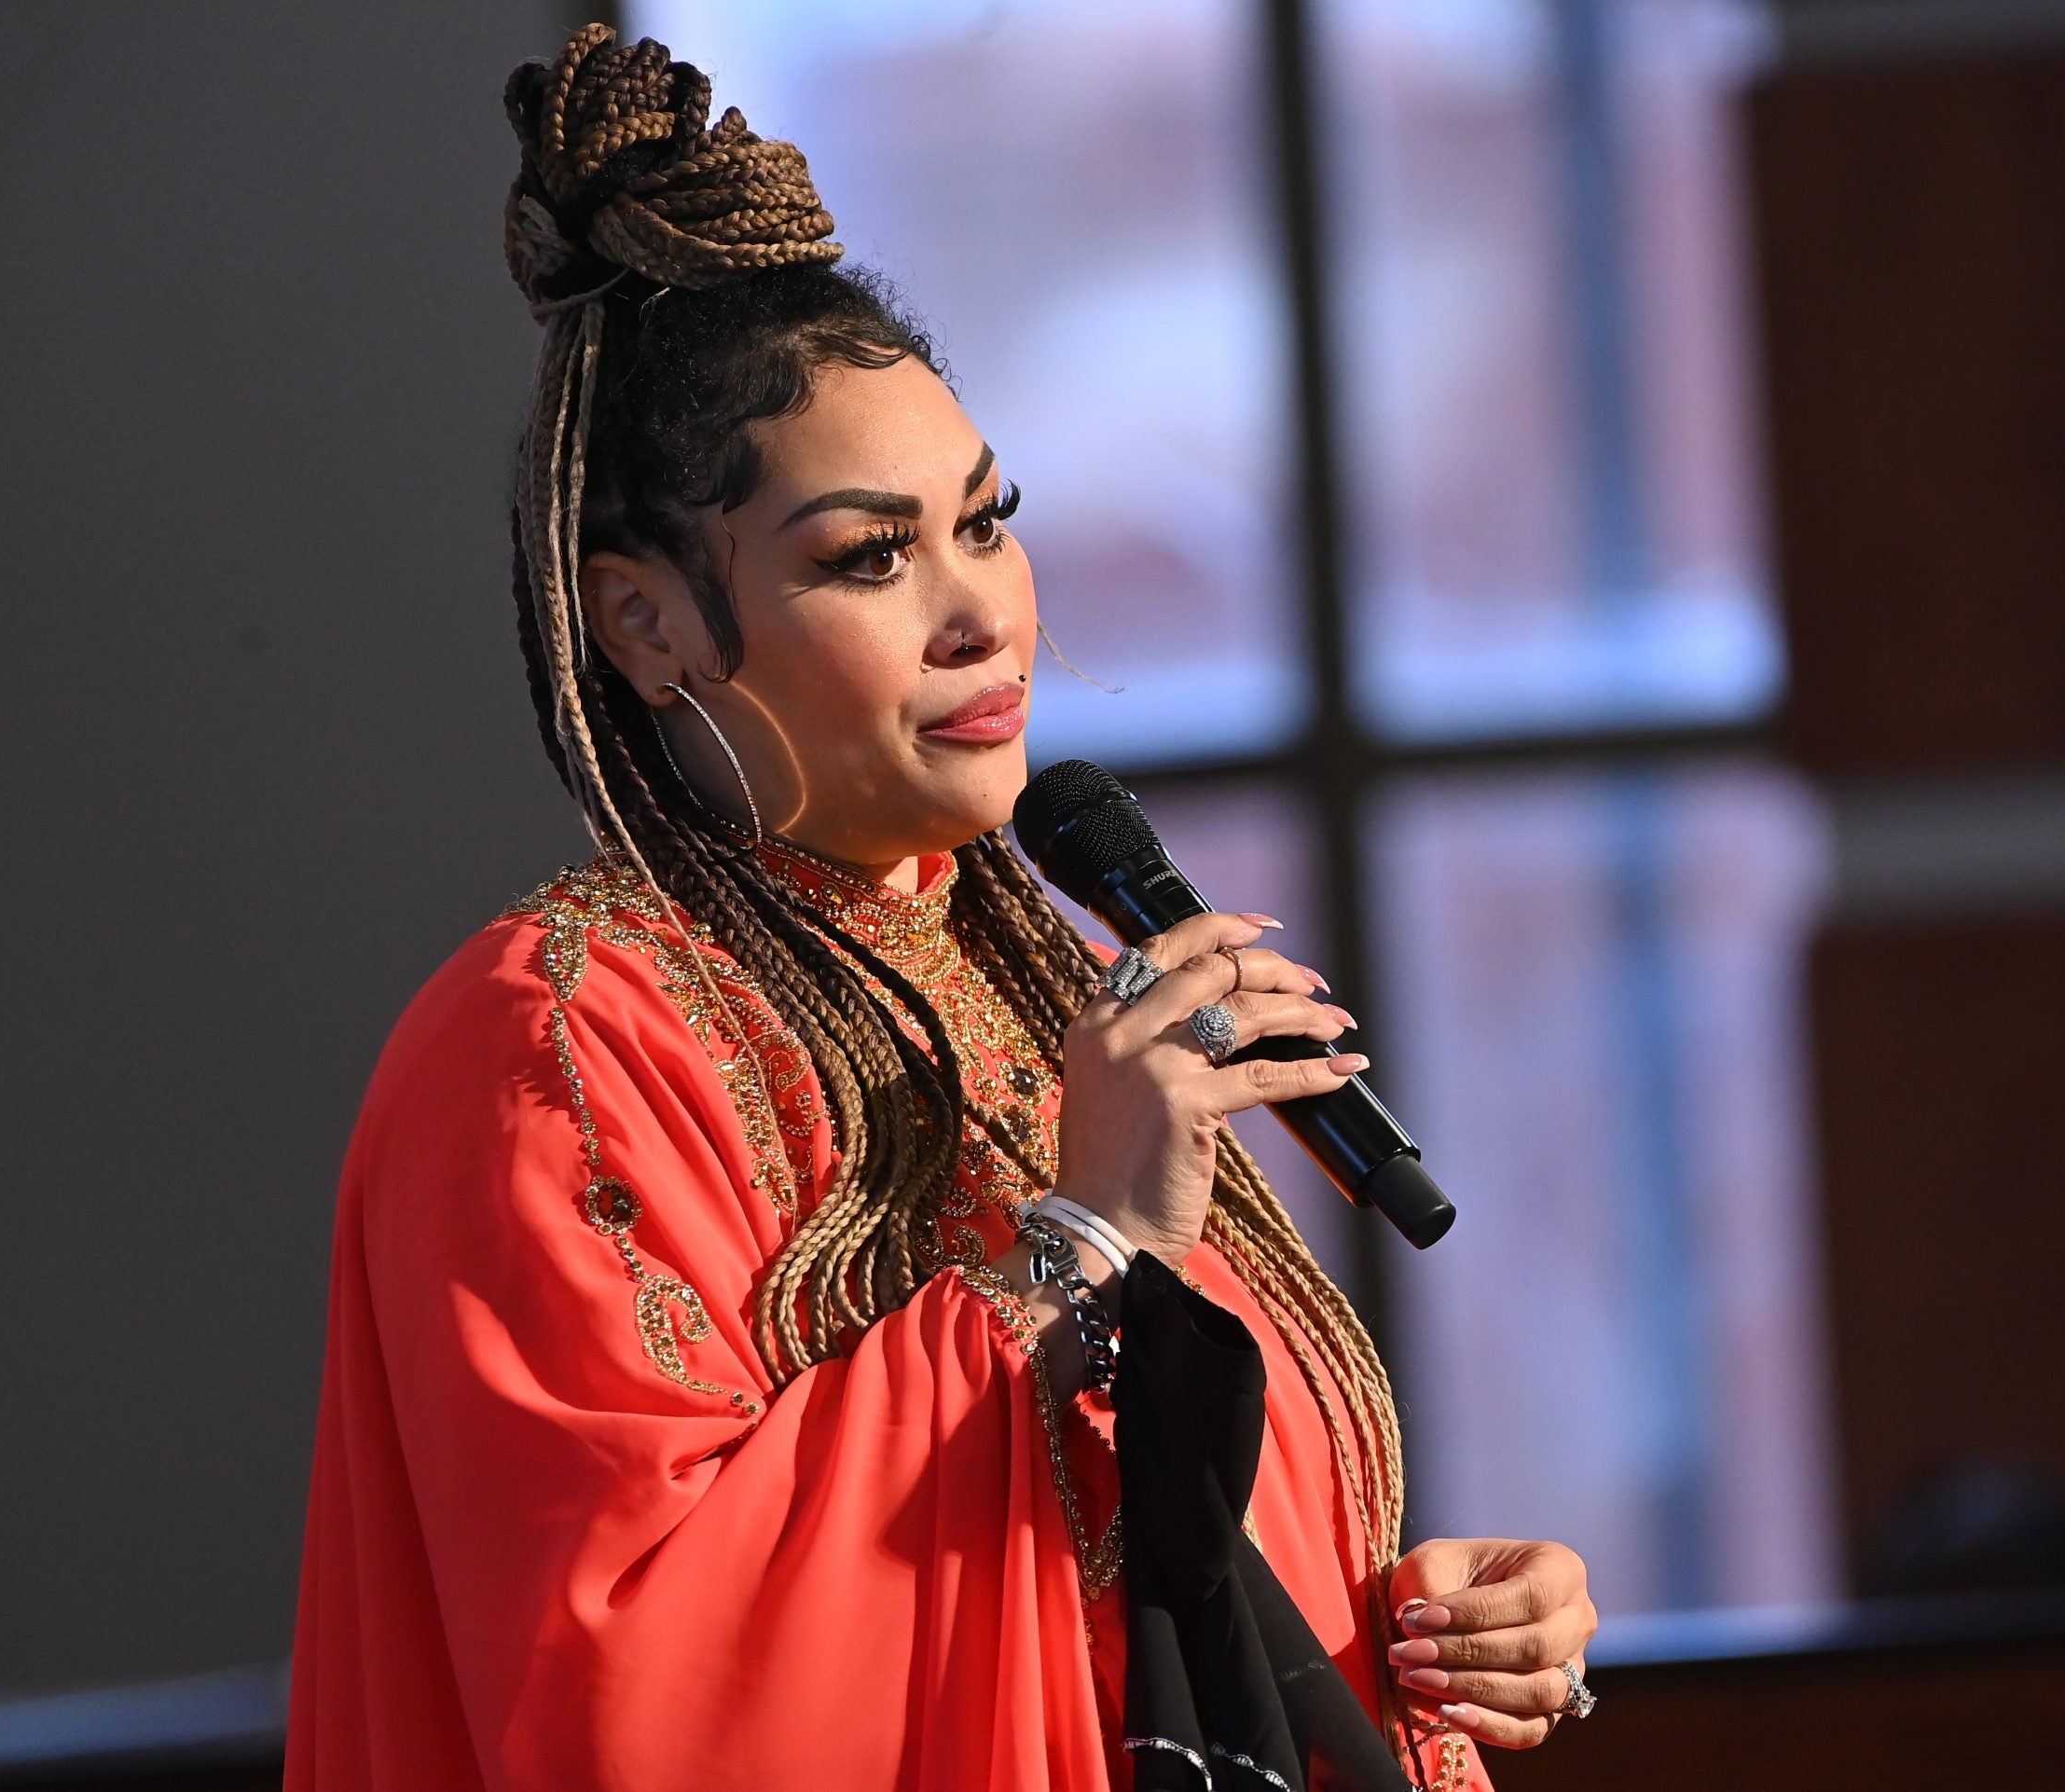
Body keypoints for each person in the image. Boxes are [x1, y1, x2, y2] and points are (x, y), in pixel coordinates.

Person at [284, 24, 1597, 1791]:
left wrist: (1413, 1632)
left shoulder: (1036, 976)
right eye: (868, 556)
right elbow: (635, 1694)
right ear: (647, 622)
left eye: (987, 522)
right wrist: (1082, 1240)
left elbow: (1123, 1594)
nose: (980, 613)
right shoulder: (556, 1044)